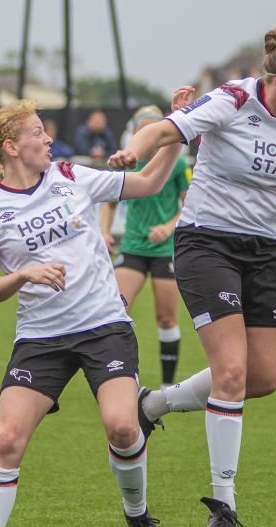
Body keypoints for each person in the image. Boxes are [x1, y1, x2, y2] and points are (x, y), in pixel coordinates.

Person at [0, 99, 184, 527]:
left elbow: (150, 182)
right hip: (40, 338)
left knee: (121, 427)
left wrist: (175, 131)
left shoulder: (71, 175)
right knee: (7, 439)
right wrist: (23, 274)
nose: (48, 139)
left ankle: (137, 514)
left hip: (103, 324)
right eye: (38, 132)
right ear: (12, 146)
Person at [109, 23, 276, 527]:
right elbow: (165, 131)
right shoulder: (231, 99)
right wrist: (133, 149)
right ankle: (224, 506)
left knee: (263, 376)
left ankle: (154, 404)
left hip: (265, 253)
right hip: (207, 245)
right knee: (231, 371)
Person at [100, 105, 191, 388]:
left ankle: (166, 389)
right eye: (142, 130)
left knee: (166, 318)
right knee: (116, 313)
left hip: (164, 251)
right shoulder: (128, 161)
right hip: (133, 247)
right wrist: (103, 231)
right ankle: (124, 379)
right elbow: (109, 202)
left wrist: (169, 226)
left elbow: (189, 205)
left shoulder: (177, 164)